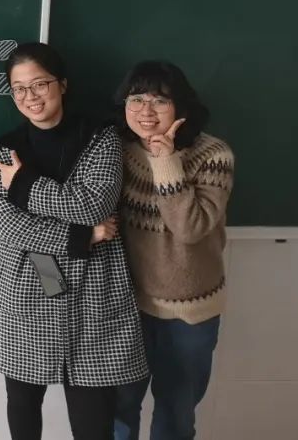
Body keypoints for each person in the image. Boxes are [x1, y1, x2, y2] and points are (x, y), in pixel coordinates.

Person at [0, 42, 147, 440]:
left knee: (93, 421)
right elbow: (10, 226)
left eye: (40, 84)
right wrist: (84, 235)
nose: (30, 96)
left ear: (63, 84)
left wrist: (22, 183)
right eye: (19, 88)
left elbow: (94, 203)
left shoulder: (100, 138)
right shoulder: (5, 149)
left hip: (93, 294)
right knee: (23, 406)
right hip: (25, 289)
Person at [113, 61, 234, 440]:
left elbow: (190, 228)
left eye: (160, 101)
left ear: (180, 106)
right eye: (136, 99)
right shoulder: (117, 151)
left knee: (175, 417)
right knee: (117, 412)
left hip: (189, 313)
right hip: (127, 307)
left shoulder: (213, 155)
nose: (145, 111)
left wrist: (165, 160)